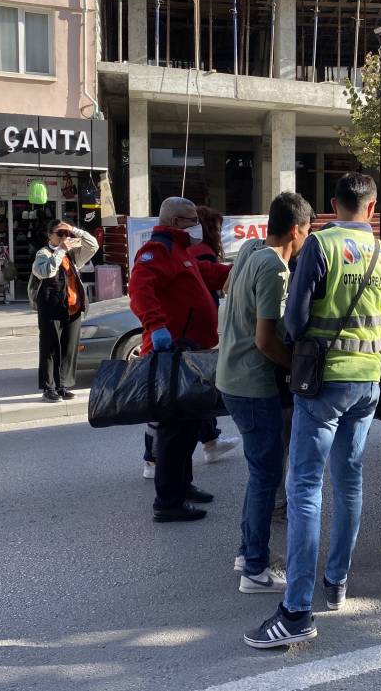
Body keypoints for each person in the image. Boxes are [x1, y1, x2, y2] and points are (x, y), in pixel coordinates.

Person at [244, 173, 381, 649]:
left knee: (305, 487)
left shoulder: (321, 245)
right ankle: (338, 582)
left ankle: (295, 610)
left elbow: (295, 318)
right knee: (349, 479)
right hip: (368, 379)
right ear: (371, 209)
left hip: (323, 381)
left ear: (334, 205)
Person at [218, 192, 314, 595]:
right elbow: (264, 340)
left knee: (260, 473)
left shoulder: (250, 250)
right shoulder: (274, 268)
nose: (308, 239)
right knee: (266, 475)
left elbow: (225, 289)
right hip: (253, 384)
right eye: (308, 232)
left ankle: (247, 552)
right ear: (296, 230)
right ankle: (255, 569)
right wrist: (296, 367)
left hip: (230, 378)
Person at [129, 197, 231, 523]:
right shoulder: (158, 250)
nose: (196, 223)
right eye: (190, 219)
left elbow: (205, 274)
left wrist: (239, 268)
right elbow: (140, 289)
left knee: (187, 429)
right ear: (175, 222)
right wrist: (157, 327)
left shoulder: (181, 250)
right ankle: (168, 502)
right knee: (174, 434)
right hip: (173, 354)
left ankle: (183, 486)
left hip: (190, 353)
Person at [186, 205, 240, 465]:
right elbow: (211, 276)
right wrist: (242, 268)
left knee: (197, 391)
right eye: (217, 227)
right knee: (193, 392)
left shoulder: (188, 250)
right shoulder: (200, 252)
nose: (220, 232)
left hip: (192, 330)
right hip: (192, 333)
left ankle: (211, 442)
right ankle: (153, 459)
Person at [29, 220, 98, 402]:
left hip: (72, 308)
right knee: (50, 348)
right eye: (60, 234)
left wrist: (74, 229)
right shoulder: (43, 253)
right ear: (49, 236)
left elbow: (93, 244)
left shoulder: (73, 254)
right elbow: (46, 272)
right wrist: (60, 250)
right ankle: (48, 388)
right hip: (51, 308)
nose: (65, 237)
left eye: (67, 234)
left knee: (69, 349)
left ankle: (63, 385)